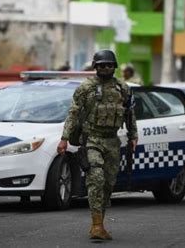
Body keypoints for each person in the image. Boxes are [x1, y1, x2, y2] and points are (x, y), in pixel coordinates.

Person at [57, 50, 138, 240]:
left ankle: (100, 221)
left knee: (108, 184)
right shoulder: (86, 88)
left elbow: (130, 113)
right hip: (91, 139)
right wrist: (64, 138)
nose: (106, 68)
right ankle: (96, 225)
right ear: (95, 67)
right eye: (102, 65)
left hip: (112, 141)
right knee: (97, 178)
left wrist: (133, 134)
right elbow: (73, 113)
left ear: (114, 66)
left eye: (109, 65)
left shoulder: (122, 88)